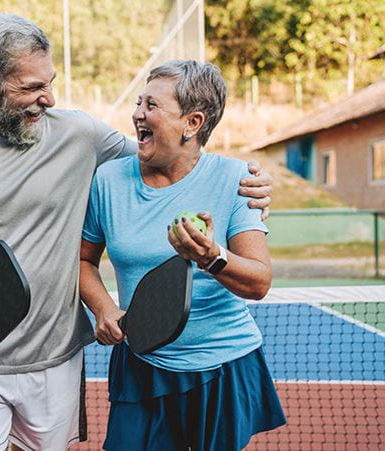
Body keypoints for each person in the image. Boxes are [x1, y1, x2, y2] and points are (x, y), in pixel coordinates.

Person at [0, 14, 273, 451]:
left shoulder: (81, 135)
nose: (48, 99)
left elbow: (177, 156)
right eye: (32, 88)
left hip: (56, 362)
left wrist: (249, 180)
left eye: (49, 83)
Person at [79, 60, 286, 451]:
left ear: (192, 123)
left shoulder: (237, 179)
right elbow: (83, 260)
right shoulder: (107, 180)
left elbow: (259, 282)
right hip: (142, 361)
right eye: (139, 102)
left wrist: (212, 256)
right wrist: (104, 308)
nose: (137, 113)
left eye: (152, 106)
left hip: (224, 365)